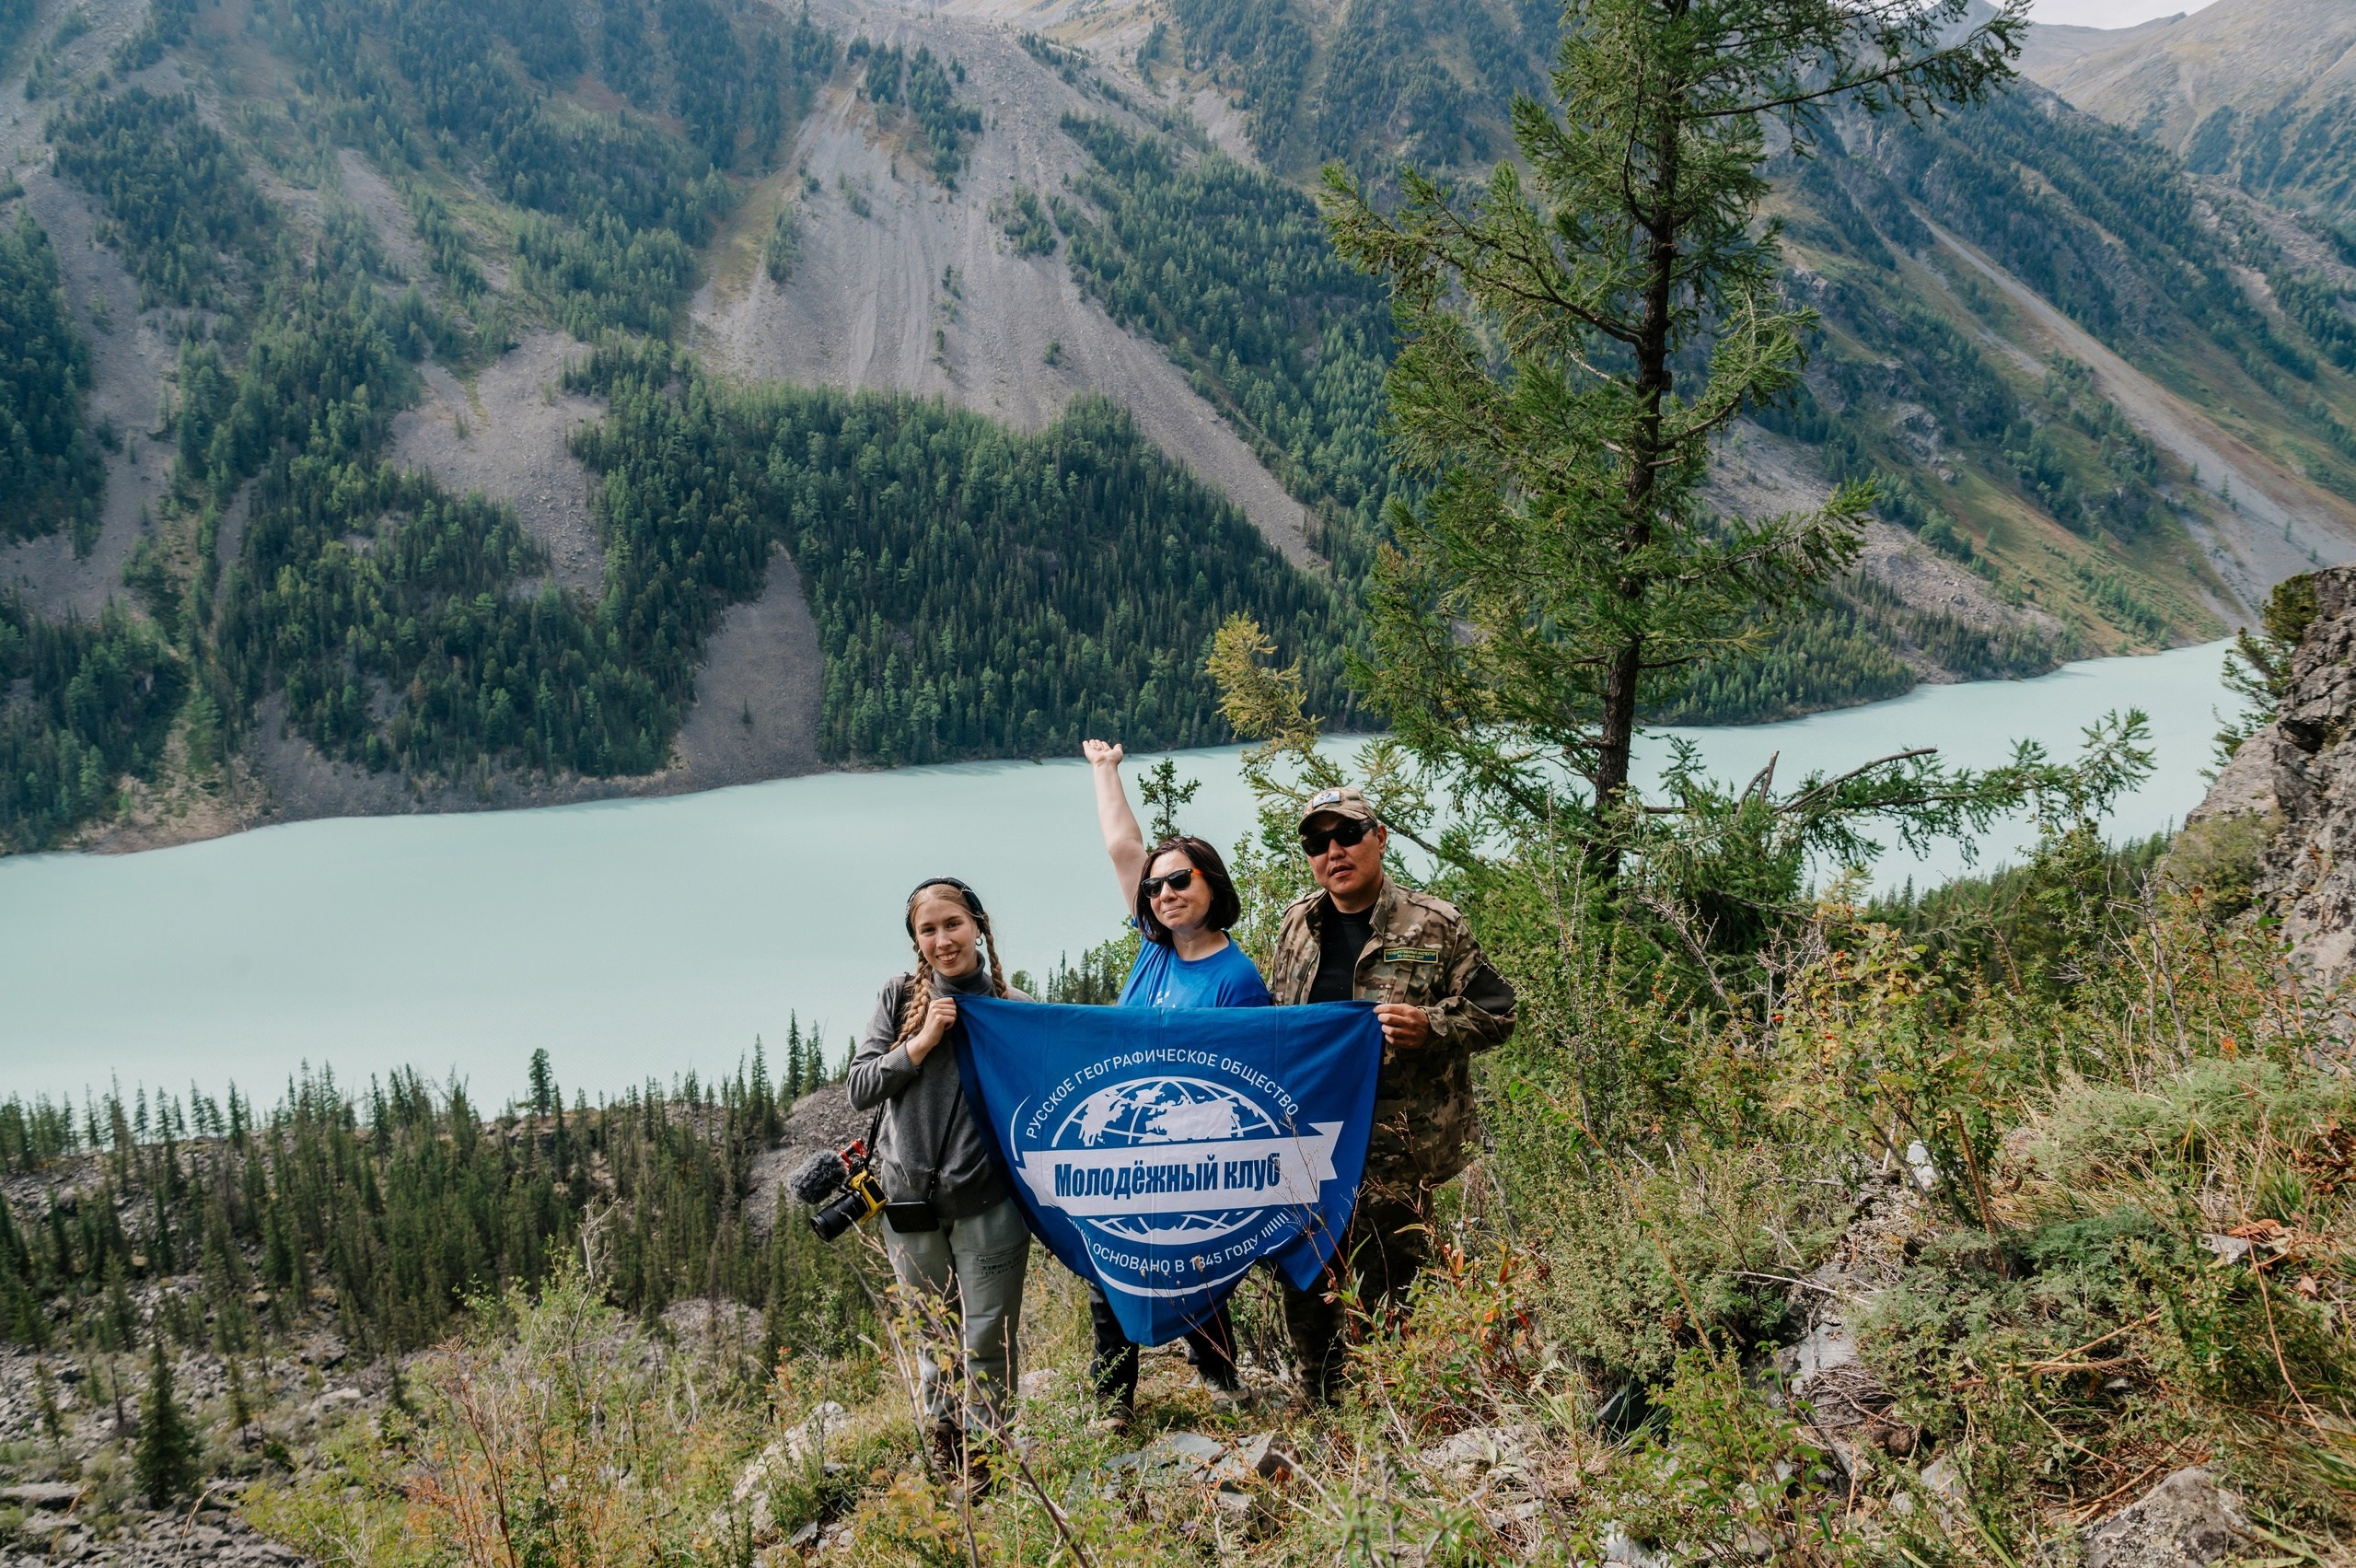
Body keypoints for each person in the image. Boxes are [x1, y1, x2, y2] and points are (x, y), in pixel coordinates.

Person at [1267, 784, 1516, 1402]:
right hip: (1311, 1142)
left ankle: (1391, 1405)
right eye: (1317, 842)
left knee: (1390, 1280)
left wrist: (1430, 1026)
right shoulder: (1298, 924)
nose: (1333, 851)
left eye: (1347, 834)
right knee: (1306, 1273)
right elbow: (1277, 1024)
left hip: (1399, 1147)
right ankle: (1318, 1396)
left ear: (1379, 837)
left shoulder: (1434, 923)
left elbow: (1498, 1011)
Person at [1079, 738, 1271, 1422]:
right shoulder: (1152, 947)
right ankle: (1112, 1406)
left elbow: (1245, 1082)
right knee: (1112, 1268)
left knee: (1199, 1268)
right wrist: (1106, 771)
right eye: (1156, 887)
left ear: (1211, 884)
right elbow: (1122, 849)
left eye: (1179, 881)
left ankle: (1222, 1381)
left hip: (1194, 1152)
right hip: (1132, 1146)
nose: (1163, 893)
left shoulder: (1235, 980)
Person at [846, 877, 1031, 1488]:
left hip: (988, 1201)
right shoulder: (900, 998)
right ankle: (947, 1447)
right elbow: (860, 1087)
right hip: (908, 1204)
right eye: (928, 929)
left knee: (988, 1339)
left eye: (952, 923)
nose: (942, 939)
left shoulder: (1014, 1007)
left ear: (977, 923)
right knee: (933, 1336)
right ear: (916, 941)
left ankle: (986, 1460)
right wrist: (921, 1041)